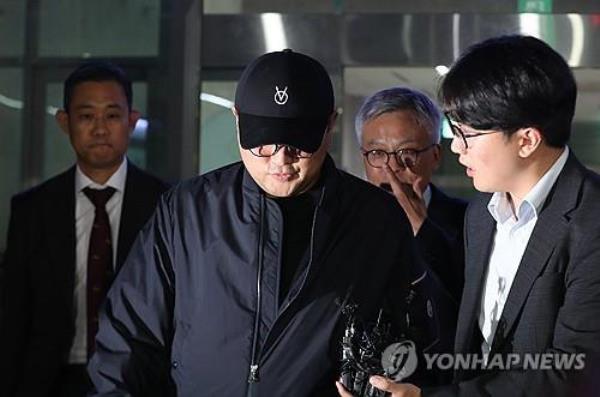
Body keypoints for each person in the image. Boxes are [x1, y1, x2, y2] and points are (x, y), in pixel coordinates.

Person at [87, 49, 413, 397]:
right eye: (264, 144)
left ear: (330, 124)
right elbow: (127, 340)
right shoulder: (185, 211)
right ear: (238, 120)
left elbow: (415, 343)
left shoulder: (374, 220)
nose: (281, 161)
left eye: (299, 145)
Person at [338, 34, 600, 397]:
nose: (456, 148)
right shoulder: (482, 214)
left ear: (526, 140)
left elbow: (573, 373)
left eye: (467, 134)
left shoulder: (591, 222)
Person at [0, 61, 168, 397]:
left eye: (112, 115)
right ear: (65, 122)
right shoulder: (32, 209)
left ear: (132, 121)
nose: (100, 129)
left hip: (138, 381)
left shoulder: (165, 203)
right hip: (50, 380)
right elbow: (13, 314)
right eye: (86, 116)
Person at [354, 87, 467, 385]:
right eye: (377, 153)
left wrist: (422, 228)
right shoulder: (342, 225)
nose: (391, 168)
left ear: (435, 155)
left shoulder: (472, 223)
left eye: (407, 153)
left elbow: (466, 316)